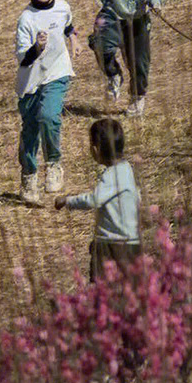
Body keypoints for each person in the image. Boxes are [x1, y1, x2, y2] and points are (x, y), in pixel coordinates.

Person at [15, 0, 79, 205]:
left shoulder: (63, 6)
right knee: (30, 131)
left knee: (49, 116)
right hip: (30, 81)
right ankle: (29, 175)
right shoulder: (26, 19)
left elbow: (67, 25)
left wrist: (74, 38)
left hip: (57, 73)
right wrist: (37, 48)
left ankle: (53, 163)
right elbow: (23, 58)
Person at [54, 117, 141, 281]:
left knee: (100, 286)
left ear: (96, 149)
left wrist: (68, 201)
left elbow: (94, 200)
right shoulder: (127, 169)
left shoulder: (112, 175)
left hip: (110, 243)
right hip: (130, 241)